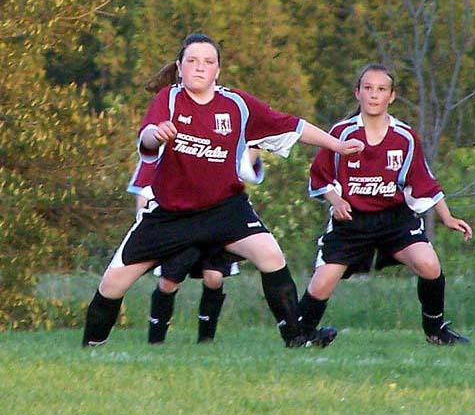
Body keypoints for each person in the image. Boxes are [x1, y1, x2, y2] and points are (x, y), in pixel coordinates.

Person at [82, 33, 364, 349]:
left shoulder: (237, 105)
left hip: (224, 209)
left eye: (208, 62)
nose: (199, 68)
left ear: (218, 70)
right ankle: (91, 347)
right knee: (112, 283)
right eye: (192, 61)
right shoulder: (169, 99)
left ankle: (297, 338)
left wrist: (336, 144)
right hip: (171, 215)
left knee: (270, 254)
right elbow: (147, 138)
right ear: (179, 67)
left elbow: (291, 125)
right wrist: (155, 134)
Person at [299, 63, 472, 345]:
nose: (374, 95)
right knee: (321, 284)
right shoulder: (341, 133)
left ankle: (435, 331)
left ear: (391, 96)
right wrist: (336, 199)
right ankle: (301, 335)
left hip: (394, 220)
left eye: (381, 89)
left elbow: (425, 182)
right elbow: (319, 176)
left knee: (429, 265)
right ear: (358, 93)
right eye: (368, 88)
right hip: (352, 223)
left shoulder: (405, 137)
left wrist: (447, 217)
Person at [127, 148, 263, 344]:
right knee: (168, 283)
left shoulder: (221, 141)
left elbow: (246, 171)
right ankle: (155, 341)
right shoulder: (163, 150)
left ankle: (206, 340)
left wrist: (255, 144)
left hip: (217, 220)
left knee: (214, 278)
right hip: (177, 224)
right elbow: (143, 192)